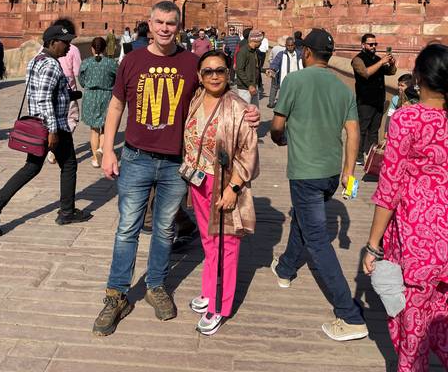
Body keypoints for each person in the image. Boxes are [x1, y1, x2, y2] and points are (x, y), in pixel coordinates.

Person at [92, 0, 259, 336]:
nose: (165, 28)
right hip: (136, 157)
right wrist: (107, 150)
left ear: (178, 26)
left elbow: (216, 90)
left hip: (175, 163)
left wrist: (247, 110)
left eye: (171, 23)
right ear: (149, 24)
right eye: (159, 22)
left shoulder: (189, 63)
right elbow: (115, 105)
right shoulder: (133, 59)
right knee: (127, 229)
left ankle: (155, 285)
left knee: (166, 228)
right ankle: (116, 294)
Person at [270, 28, 368, 342]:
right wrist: (349, 176)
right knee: (304, 218)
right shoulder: (343, 89)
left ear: (307, 53)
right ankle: (285, 269)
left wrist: (280, 138)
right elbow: (354, 134)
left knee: (317, 240)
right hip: (329, 175)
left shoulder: (294, 81)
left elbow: (277, 125)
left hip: (305, 173)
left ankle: (350, 315)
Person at [363, 44, 448, 372]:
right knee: (441, 319)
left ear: (419, 78)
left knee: (413, 330)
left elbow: (389, 188)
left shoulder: (407, 118)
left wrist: (373, 246)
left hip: (417, 240)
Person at [0, 25, 91, 236]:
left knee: (32, 167)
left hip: (39, 123)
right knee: (69, 165)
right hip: (52, 125)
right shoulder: (52, 65)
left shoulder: (35, 61)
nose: (68, 47)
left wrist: (68, 96)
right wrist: (53, 131)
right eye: (65, 42)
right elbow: (45, 98)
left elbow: (41, 92)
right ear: (53, 42)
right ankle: (66, 212)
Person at [184, 50, 259, 335]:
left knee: (227, 245)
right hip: (198, 180)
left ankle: (219, 306)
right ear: (199, 77)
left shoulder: (239, 107)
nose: (214, 76)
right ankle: (208, 290)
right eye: (208, 71)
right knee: (207, 239)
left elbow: (248, 152)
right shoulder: (196, 99)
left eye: (220, 70)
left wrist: (233, 188)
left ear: (228, 73)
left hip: (224, 184)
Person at [352, 34, 397, 165]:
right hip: (365, 101)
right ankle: (358, 156)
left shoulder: (377, 59)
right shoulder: (357, 60)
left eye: (375, 44)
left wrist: (391, 64)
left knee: (374, 130)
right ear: (363, 45)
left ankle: (372, 156)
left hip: (378, 100)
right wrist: (381, 62)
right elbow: (365, 73)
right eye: (370, 44)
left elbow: (391, 72)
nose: (373, 47)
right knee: (362, 129)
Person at [46, 18, 81, 164]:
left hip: (54, 92)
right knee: (71, 118)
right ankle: (54, 147)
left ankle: (53, 148)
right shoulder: (73, 49)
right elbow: (78, 70)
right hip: (67, 90)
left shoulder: (42, 52)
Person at [79, 37, 118, 168]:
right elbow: (118, 79)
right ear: (105, 48)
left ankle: (95, 158)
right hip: (107, 96)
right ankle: (102, 149)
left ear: (92, 48)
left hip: (90, 96)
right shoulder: (111, 63)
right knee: (105, 127)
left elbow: (81, 80)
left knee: (94, 129)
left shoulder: (86, 63)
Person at [266, 36, 303, 108]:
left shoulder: (299, 54)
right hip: (285, 80)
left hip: (296, 80)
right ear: (286, 45)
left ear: (294, 45)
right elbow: (275, 63)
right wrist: (272, 69)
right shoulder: (281, 54)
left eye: (291, 45)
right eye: (288, 45)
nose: (290, 47)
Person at [235, 30, 263, 106]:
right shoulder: (243, 52)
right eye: (260, 41)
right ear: (256, 41)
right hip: (245, 87)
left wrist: (264, 71)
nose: (261, 43)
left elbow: (255, 67)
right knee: (245, 111)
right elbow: (239, 70)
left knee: (254, 110)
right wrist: (249, 85)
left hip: (254, 85)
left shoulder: (255, 51)